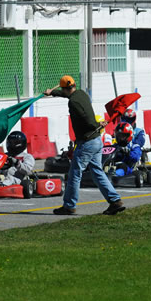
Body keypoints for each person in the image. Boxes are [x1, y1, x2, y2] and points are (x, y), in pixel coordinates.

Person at [44, 75, 125, 215]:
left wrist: (96, 124)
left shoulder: (73, 103)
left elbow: (86, 118)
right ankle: (115, 201)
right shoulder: (81, 93)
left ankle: (69, 205)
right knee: (97, 172)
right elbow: (66, 94)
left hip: (87, 142)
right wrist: (52, 93)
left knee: (75, 174)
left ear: (64, 88)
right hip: (96, 141)